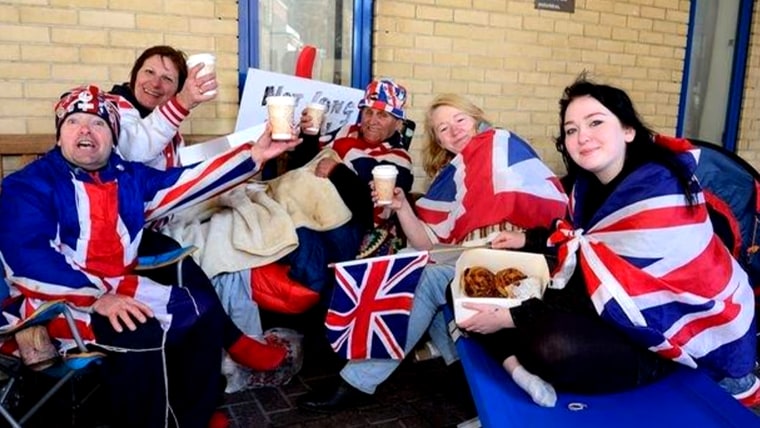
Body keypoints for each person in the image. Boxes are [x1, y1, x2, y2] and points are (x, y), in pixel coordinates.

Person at [0, 85, 300, 428]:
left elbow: (186, 181)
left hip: (118, 288)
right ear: (59, 135)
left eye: (97, 124)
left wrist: (255, 156)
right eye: (74, 122)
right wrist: (98, 298)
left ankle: (192, 418)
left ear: (112, 138)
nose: (85, 130)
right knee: (138, 332)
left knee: (202, 311)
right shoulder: (29, 184)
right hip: (55, 303)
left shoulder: (127, 176)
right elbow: (27, 257)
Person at [458, 76, 760, 406]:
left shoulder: (657, 189)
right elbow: (582, 243)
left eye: (595, 122)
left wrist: (511, 317)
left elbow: (600, 284)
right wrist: (526, 239)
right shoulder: (588, 184)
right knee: (464, 286)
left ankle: (512, 352)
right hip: (612, 307)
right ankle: (516, 367)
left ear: (628, 130)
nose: (581, 136)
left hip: (664, 329)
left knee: (551, 345)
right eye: (571, 129)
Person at [297, 94, 568, 412]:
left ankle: (357, 382)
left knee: (425, 280)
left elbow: (522, 200)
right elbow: (428, 242)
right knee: (420, 271)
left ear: (477, 119)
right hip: (475, 256)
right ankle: (464, 374)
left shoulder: (498, 143)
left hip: (527, 255)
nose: (453, 131)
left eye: (459, 121)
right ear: (437, 138)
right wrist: (401, 208)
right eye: (442, 128)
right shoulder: (450, 177)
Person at [283, 78, 416, 295]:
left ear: (398, 123)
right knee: (289, 225)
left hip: (350, 221)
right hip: (310, 205)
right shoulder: (346, 132)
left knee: (308, 242)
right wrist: (309, 136)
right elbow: (304, 166)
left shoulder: (399, 159)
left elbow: (372, 209)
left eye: (382, 115)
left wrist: (337, 171)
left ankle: (320, 302)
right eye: (368, 112)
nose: (372, 121)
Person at [110, 45, 216, 169]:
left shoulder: (173, 135)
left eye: (167, 78)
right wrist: (182, 103)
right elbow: (132, 150)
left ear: (178, 89)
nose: (155, 84)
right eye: (149, 72)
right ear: (135, 74)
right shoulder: (108, 108)